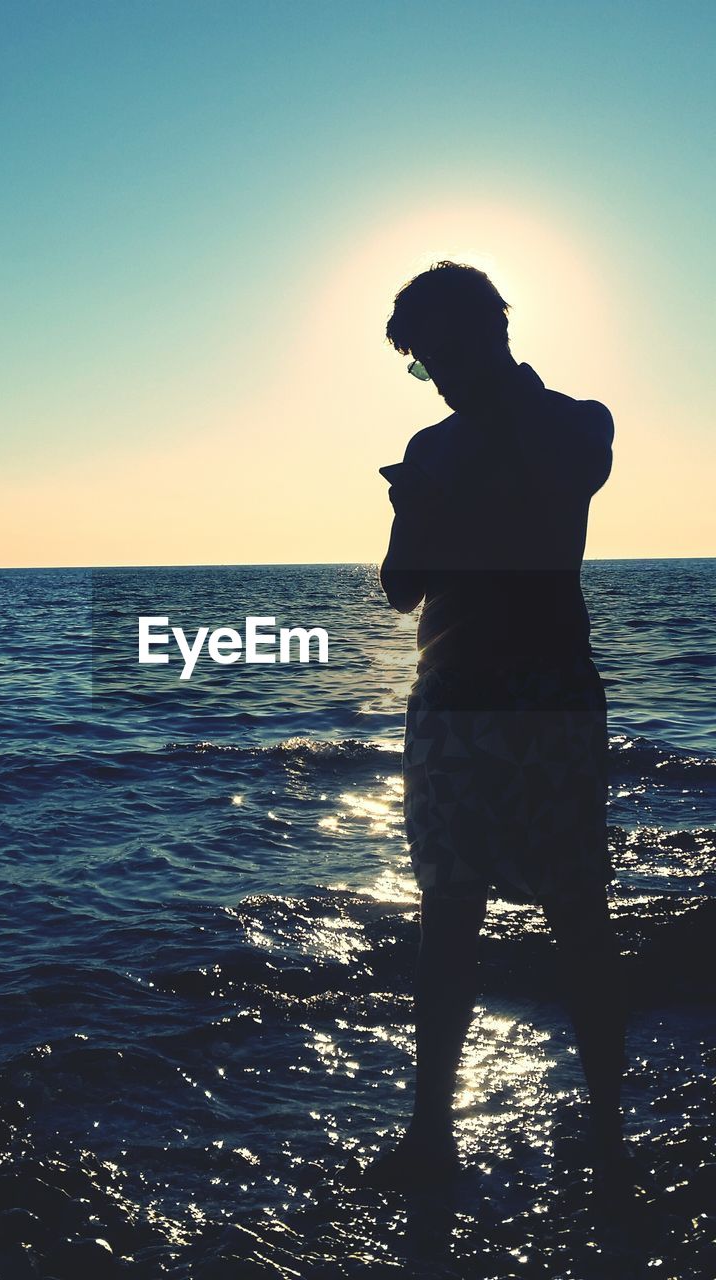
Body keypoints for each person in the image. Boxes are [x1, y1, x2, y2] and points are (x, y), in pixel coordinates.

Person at [363, 261, 628, 1194]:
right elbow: (401, 590)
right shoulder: (429, 446)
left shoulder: (575, 422)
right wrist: (414, 514)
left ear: (485, 332)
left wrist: (476, 443)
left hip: (548, 699)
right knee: (449, 918)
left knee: (580, 920)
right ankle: (430, 1136)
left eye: (436, 352)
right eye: (419, 362)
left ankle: (608, 1137)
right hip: (449, 702)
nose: (431, 374)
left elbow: (560, 481)